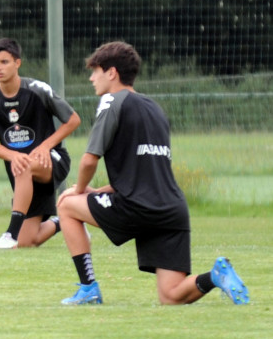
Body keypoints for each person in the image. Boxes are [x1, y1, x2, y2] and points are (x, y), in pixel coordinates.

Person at [56, 41, 249, 305]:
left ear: (111, 73)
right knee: (171, 296)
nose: (91, 78)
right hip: (171, 208)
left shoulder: (111, 101)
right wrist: (100, 191)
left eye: (96, 71)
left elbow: (89, 160)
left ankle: (88, 288)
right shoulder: (155, 109)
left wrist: (78, 190)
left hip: (138, 207)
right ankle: (215, 276)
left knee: (66, 205)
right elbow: (145, 169)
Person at [0, 38, 81, 249]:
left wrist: (44, 146)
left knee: (23, 166)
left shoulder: (37, 90)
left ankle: (10, 234)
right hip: (21, 170)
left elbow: (73, 120)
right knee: (28, 242)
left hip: (52, 161)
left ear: (18, 63)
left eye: (4, 62)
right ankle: (69, 219)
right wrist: (14, 155)